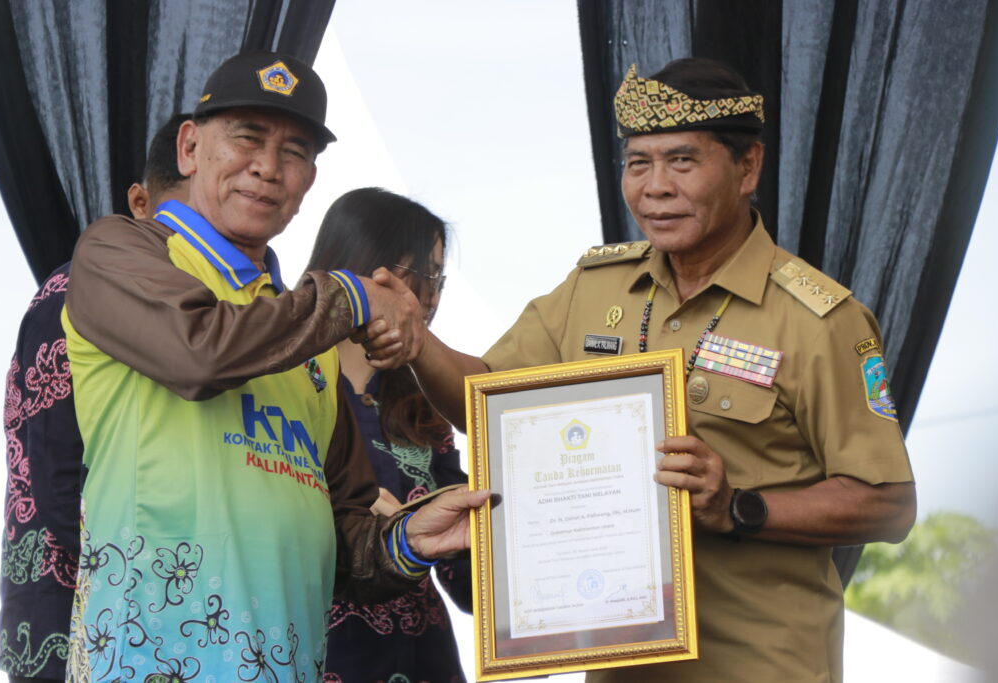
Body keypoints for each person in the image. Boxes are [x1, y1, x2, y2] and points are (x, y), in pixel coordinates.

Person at [381, 58, 917, 682]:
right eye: (639, 163)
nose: (654, 187)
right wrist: (419, 340)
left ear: (749, 167)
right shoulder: (595, 285)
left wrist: (742, 507)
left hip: (761, 666)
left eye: (682, 161)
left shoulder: (819, 317)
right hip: (622, 667)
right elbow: (487, 400)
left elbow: (889, 504)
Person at [60, 51, 487, 681]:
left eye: (294, 152)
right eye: (247, 138)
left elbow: (344, 538)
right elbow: (197, 350)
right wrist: (351, 295)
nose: (267, 167)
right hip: (146, 662)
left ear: (310, 180)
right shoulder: (120, 251)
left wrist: (404, 540)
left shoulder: (304, 338)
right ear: (189, 148)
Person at [0, 113, 189, 683]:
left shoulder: (210, 315)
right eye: (187, 215)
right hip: (77, 618)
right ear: (140, 201)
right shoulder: (77, 291)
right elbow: (60, 486)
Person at [307, 187, 471, 683]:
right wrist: (349, 515)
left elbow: (464, 583)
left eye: (441, 280)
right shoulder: (281, 382)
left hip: (424, 660)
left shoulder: (425, 407)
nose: (435, 297)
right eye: (426, 276)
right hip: (316, 656)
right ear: (374, 270)